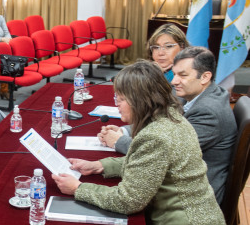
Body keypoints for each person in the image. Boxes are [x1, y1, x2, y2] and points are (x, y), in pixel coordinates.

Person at [52, 61, 228, 225]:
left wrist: (78, 188)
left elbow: (128, 201)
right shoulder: (172, 119)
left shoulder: (155, 135)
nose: (116, 105)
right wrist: (100, 166)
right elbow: (149, 165)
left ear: (140, 100)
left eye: (121, 99)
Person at [99, 47, 236, 205]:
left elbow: (161, 152)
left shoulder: (209, 112)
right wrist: (125, 130)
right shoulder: (196, 94)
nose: (173, 81)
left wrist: (118, 141)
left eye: (182, 75)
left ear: (205, 77)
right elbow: (161, 120)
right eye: (175, 73)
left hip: (192, 199)